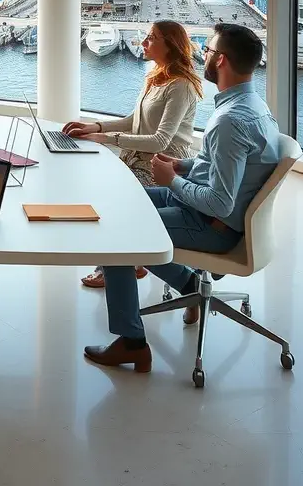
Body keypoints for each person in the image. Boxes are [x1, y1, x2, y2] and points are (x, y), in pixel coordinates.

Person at [83, 23, 279, 373]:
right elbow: (217, 165)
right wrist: (182, 165)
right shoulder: (252, 105)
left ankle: (132, 343)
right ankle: (188, 284)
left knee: (116, 233)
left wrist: (172, 181)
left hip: (212, 224)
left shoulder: (229, 120)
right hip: (200, 207)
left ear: (220, 61)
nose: (203, 53)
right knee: (122, 204)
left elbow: (221, 203)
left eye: (209, 50)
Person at [63, 20, 202, 288]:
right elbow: (133, 119)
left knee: (115, 208)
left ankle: (115, 265)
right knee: (100, 191)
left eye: (152, 37)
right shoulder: (156, 76)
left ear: (170, 45)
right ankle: (135, 263)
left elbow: (161, 141)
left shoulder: (180, 86)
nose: (145, 41)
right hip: (135, 158)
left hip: (160, 166)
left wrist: (105, 138)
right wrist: (94, 126)